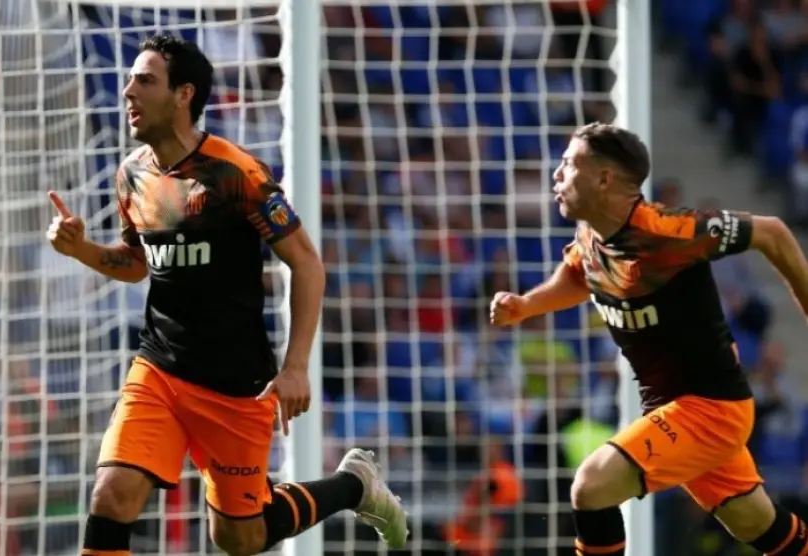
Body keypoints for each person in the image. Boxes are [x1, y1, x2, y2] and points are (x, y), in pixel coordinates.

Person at [46, 35, 407, 556]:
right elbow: (138, 264)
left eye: (145, 80)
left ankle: (355, 485)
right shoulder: (132, 175)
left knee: (240, 537)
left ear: (183, 94)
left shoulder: (236, 174)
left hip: (235, 384)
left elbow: (307, 264)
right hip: (159, 370)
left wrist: (296, 367)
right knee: (112, 495)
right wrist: (81, 249)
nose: (128, 91)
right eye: (129, 80)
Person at [489, 122, 808, 556]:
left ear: (604, 178)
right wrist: (527, 305)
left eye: (568, 164)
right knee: (757, 524)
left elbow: (772, 231)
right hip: (671, 408)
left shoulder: (667, 234)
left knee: (591, 485)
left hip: (710, 408)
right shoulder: (593, 236)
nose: (556, 174)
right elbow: (578, 275)